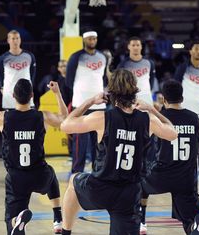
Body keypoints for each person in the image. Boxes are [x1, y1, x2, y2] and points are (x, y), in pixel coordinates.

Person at [59, 69, 178, 235]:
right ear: (135, 91)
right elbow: (173, 133)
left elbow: (65, 125)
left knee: (73, 180)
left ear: (111, 92)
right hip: (129, 194)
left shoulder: (101, 118)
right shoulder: (148, 119)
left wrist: (90, 102)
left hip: (100, 189)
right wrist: (152, 110)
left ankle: (65, 231)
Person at [0, 79, 68, 235]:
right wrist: (57, 93)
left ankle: (15, 221)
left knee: (11, 223)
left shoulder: (3, 117)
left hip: (16, 178)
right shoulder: (42, 116)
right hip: (39, 175)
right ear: (32, 95)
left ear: (13, 96)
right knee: (51, 173)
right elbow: (65, 120)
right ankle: (58, 218)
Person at [140, 80, 199, 235]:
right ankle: (193, 227)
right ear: (182, 98)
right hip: (187, 178)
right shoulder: (196, 118)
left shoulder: (158, 118)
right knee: (190, 219)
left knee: (137, 183)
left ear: (163, 99)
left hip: (162, 175)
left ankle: (141, 222)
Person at [65, 30, 108, 174]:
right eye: (90, 38)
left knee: (99, 141)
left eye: (94, 38)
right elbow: (69, 81)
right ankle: (77, 172)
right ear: (84, 40)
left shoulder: (103, 56)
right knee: (79, 141)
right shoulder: (76, 57)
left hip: (100, 104)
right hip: (81, 103)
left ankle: (98, 171)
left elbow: (104, 79)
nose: (92, 41)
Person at [174, 40, 199, 179]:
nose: (198, 51)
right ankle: (182, 169)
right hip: (186, 110)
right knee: (184, 141)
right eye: (196, 49)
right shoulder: (182, 68)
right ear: (190, 51)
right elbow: (175, 86)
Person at [0, 30, 36, 109]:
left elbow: (33, 73)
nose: (15, 41)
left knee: (28, 119)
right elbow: (0, 74)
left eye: (17, 38)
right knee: (10, 120)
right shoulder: (2, 59)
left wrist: (31, 87)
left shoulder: (29, 56)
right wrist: (2, 87)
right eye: (13, 38)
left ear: (20, 40)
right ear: (8, 40)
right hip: (10, 95)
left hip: (26, 94)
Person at [117, 36, 156, 105]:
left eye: (138, 45)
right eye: (133, 45)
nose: (135, 47)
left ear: (141, 46)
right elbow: (119, 82)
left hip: (146, 96)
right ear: (128, 46)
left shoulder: (149, 62)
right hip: (129, 97)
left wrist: (148, 91)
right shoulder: (123, 64)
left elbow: (152, 79)